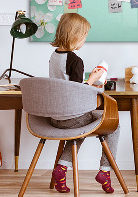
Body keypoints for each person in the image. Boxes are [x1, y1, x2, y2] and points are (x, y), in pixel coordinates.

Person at [48, 13, 119, 194]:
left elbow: (67, 85)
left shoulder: (54, 56)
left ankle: (61, 170)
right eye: (84, 36)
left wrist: (87, 80)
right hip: (72, 117)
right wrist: (94, 79)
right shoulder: (75, 60)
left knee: (79, 128)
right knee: (114, 125)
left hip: (55, 117)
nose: (84, 41)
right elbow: (78, 91)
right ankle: (105, 171)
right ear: (75, 36)